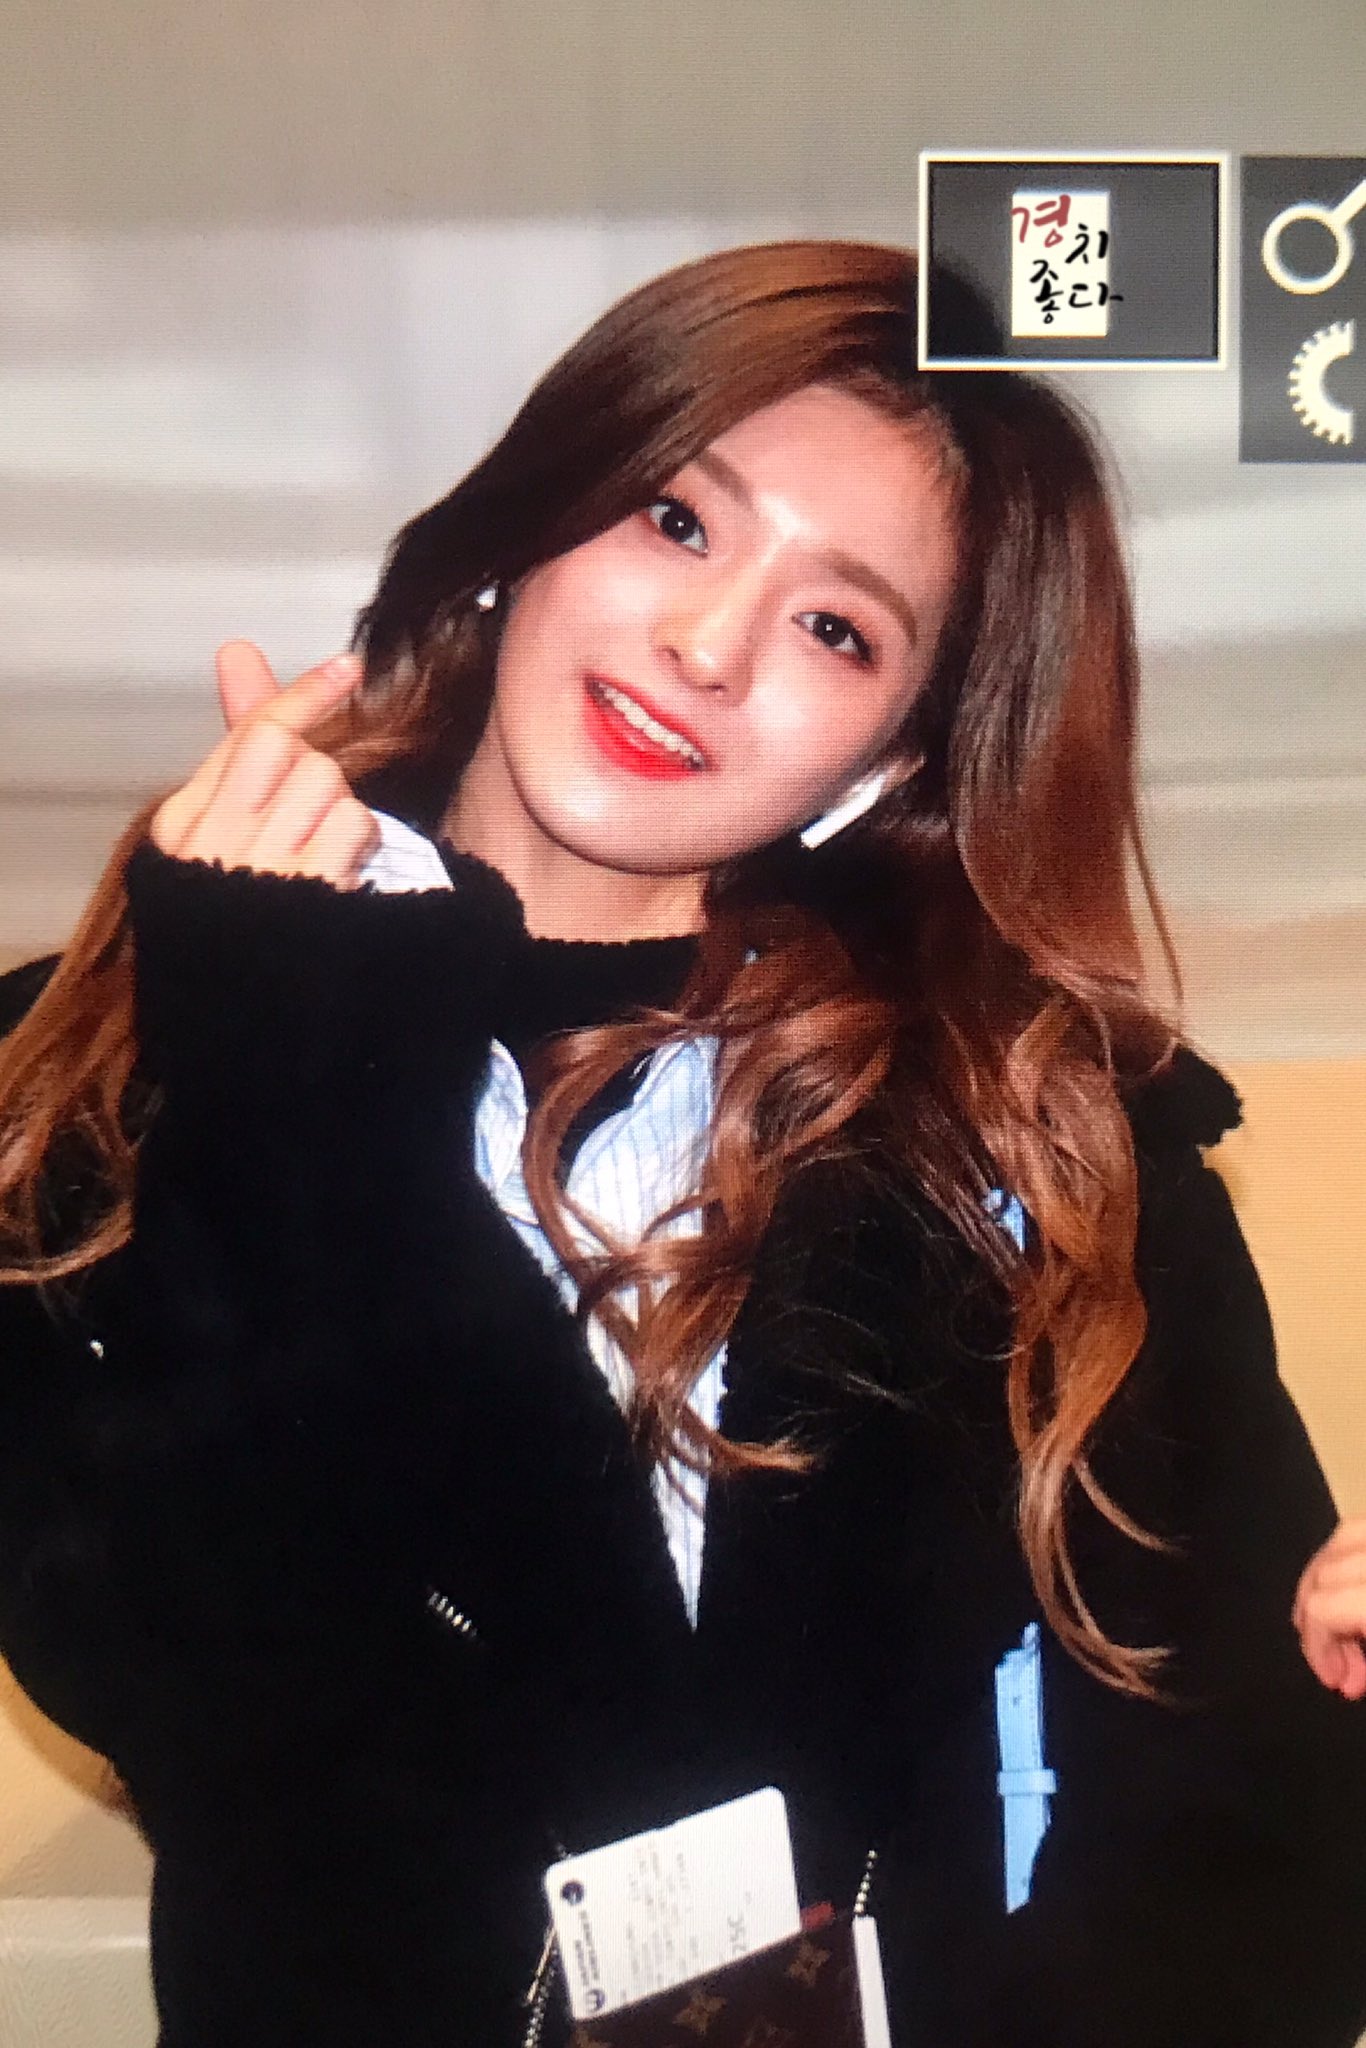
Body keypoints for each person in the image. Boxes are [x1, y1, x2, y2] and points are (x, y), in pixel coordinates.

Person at [0, 239, 1363, 2048]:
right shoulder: (94, 1057)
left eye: (836, 628)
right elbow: (168, 1677)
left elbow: (1253, 1792)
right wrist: (290, 1086)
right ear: (527, 525)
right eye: (673, 519)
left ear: (894, 753)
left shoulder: (1037, 1127)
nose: (706, 647)